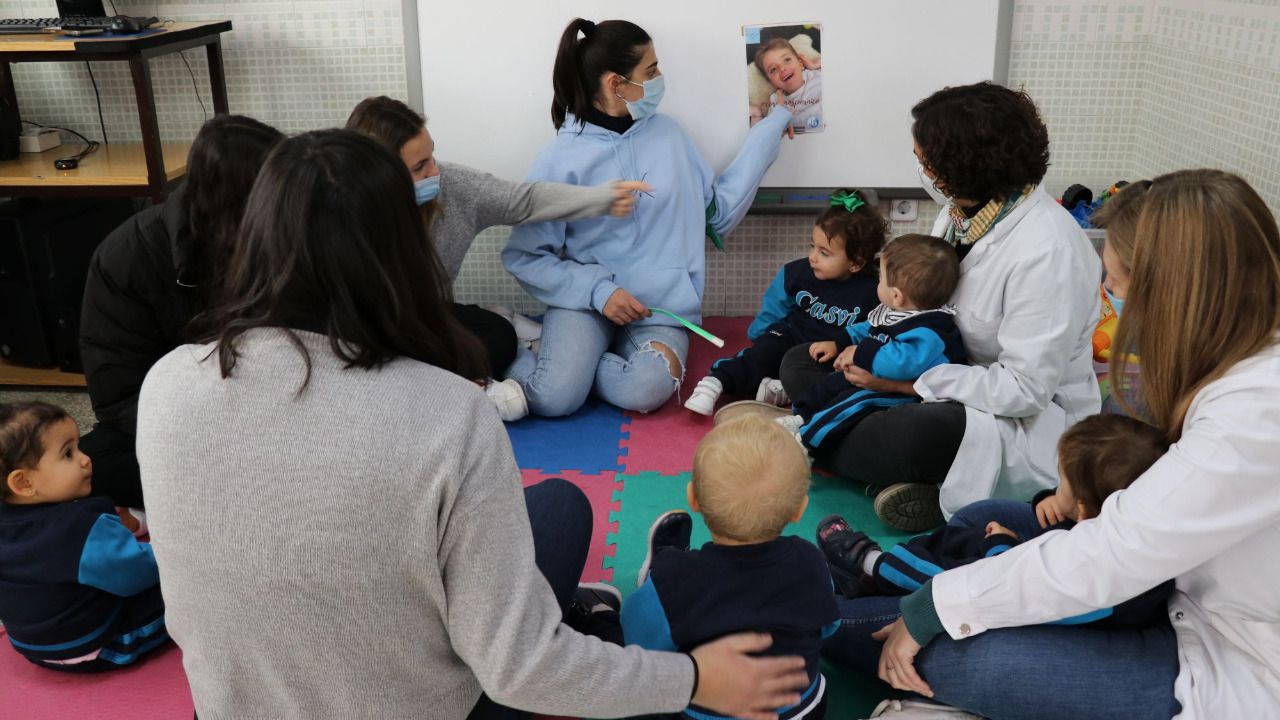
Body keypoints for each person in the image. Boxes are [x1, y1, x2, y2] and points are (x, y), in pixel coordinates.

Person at [134, 129, 811, 719]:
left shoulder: (166, 386)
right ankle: (575, 611)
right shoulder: (447, 411)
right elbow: (520, 669)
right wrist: (690, 679)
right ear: (400, 251)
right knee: (562, 506)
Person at [827, 169, 1280, 720]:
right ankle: (869, 581)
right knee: (985, 517)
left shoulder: (1256, 412)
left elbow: (1113, 554)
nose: (1108, 296)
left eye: (1118, 283)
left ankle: (831, 607)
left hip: (1222, 654)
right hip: (1160, 590)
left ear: (1174, 294)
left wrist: (934, 612)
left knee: (951, 653)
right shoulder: (1216, 364)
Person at [777, 82, 1101, 531]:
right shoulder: (959, 215)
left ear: (960, 169)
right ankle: (852, 445)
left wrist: (903, 383)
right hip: (930, 369)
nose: (920, 169)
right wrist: (867, 352)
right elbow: (918, 309)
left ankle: (824, 437)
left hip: (1010, 418)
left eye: (924, 160)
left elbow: (1024, 392)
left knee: (914, 436)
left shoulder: (1049, 252)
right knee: (800, 359)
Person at [502, 18, 794, 417]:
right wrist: (599, 292)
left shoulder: (671, 137)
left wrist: (771, 127)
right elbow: (524, 256)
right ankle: (518, 345)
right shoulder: (559, 158)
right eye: (651, 70)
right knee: (553, 399)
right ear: (615, 84)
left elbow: (718, 215)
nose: (660, 78)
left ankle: (563, 362)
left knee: (646, 388)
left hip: (660, 309)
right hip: (585, 305)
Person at [345, 96, 651, 421]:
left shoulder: (454, 186)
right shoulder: (344, 221)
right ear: (380, 177)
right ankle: (470, 387)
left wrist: (599, 199)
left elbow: (524, 200)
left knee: (499, 338)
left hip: (424, 318)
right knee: (377, 373)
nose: (435, 170)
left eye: (432, 155)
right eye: (420, 168)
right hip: (368, 333)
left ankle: (476, 361)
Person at [78, 114, 284, 508]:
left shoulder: (285, 238)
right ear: (240, 201)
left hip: (274, 410)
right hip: (185, 423)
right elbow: (119, 398)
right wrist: (217, 436)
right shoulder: (127, 257)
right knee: (91, 463)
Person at [815, 413, 1173, 634]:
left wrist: (1001, 545)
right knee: (964, 532)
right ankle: (872, 576)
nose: (1056, 486)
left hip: (1006, 591)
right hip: (1029, 563)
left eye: (1062, 482)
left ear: (1083, 507)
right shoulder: (1100, 521)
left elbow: (1008, 586)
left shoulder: (1102, 579)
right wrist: (1049, 500)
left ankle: (872, 564)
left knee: (945, 569)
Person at [622, 414, 839, 720]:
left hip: (704, 714)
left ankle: (646, 578)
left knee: (630, 659)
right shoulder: (812, 561)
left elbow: (638, 639)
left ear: (693, 498)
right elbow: (829, 625)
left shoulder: (676, 582)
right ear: (799, 510)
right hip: (802, 709)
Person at [784, 236, 966, 502]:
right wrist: (840, 342)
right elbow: (869, 327)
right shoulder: (898, 309)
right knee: (827, 380)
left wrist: (859, 354)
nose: (877, 283)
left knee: (850, 403)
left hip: (906, 393)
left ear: (896, 295)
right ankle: (802, 415)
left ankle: (807, 443)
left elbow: (900, 363)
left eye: (880, 279)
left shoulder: (931, 330)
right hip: (872, 375)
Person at [0, 401, 168, 672]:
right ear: (24, 483)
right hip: (98, 645)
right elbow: (141, 573)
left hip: (34, 647)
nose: (85, 458)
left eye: (78, 446)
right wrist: (174, 548)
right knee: (188, 591)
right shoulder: (78, 528)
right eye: (68, 454)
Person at [684, 189, 885, 415]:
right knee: (763, 354)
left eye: (824, 253)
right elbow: (773, 308)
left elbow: (874, 332)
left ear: (856, 263)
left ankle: (784, 389)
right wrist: (762, 337)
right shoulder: (796, 273)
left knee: (848, 375)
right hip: (790, 338)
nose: (813, 257)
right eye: (812, 246)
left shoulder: (874, 291)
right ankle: (716, 381)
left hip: (829, 354)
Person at [754, 37, 823, 133]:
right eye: (773, 69)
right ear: (771, 82)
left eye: (787, 60)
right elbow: (771, 129)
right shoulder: (776, 102)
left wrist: (814, 65)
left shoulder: (817, 75)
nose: (782, 68)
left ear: (800, 63)